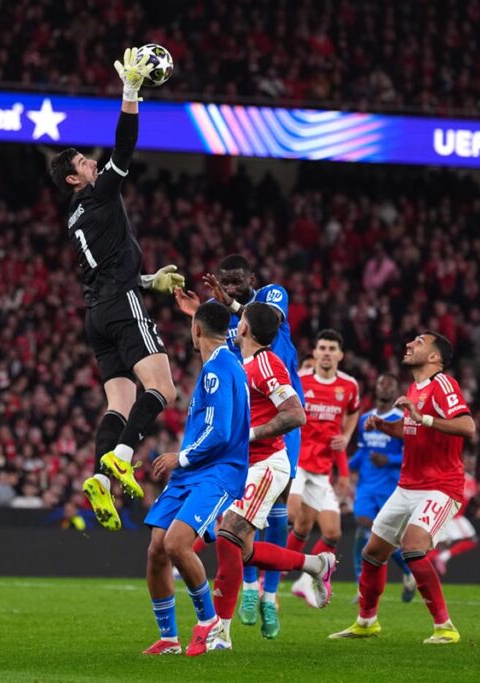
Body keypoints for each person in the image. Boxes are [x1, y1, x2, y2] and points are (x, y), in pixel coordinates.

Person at [48, 47, 185, 531]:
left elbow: (104, 268)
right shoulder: (98, 195)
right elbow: (123, 149)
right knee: (164, 388)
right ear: (74, 178)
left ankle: (100, 481)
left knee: (119, 405)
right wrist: (130, 93)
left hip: (97, 314)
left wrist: (147, 280)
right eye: (84, 163)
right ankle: (122, 457)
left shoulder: (75, 217)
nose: (93, 164)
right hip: (121, 306)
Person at [330, 332, 472, 645]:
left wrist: (425, 418)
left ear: (434, 357)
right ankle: (366, 622)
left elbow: (467, 426)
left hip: (440, 486)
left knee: (412, 548)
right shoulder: (414, 388)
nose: (409, 344)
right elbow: (411, 429)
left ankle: (445, 627)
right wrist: (384, 426)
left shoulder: (443, 384)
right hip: (407, 486)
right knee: (373, 553)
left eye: (419, 342)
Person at [208, 303, 336, 646]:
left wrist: (249, 435)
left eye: (240, 322)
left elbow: (295, 414)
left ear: (245, 329)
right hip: (243, 466)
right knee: (244, 550)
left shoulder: (266, 363)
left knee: (228, 537)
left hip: (266, 463)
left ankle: (220, 632)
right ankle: (316, 564)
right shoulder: (243, 363)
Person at [141, 301, 249, 657]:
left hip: (216, 471)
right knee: (157, 549)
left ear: (196, 331)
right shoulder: (227, 357)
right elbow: (226, 330)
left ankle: (209, 622)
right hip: (192, 472)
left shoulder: (217, 370)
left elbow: (219, 432)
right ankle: (169, 639)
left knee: (176, 544)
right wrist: (198, 313)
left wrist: (180, 457)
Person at [200, 254, 304, 619]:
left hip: (282, 408)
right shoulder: (220, 311)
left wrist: (229, 305)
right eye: (225, 282)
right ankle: (248, 586)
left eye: (236, 281)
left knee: (277, 504)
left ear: (252, 279)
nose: (230, 288)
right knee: (239, 505)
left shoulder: (270, 296)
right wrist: (197, 315)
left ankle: (269, 595)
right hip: (247, 411)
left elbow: (266, 320)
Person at [288, 330, 360, 606]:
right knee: (292, 515)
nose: (327, 353)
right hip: (297, 461)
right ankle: (265, 579)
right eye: (322, 348)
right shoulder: (301, 380)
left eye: (332, 348)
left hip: (322, 468)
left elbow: (353, 411)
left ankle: (305, 579)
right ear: (315, 352)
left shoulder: (349, 386)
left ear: (340, 355)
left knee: (331, 533)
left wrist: (347, 438)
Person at [348, 373, 417, 603]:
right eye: (381, 383)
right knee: (364, 524)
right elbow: (363, 450)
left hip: (390, 487)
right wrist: (344, 467)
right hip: (366, 486)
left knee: (385, 538)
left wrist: (390, 460)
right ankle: (363, 588)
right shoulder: (365, 419)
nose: (385, 387)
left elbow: (411, 455)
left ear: (395, 391)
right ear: (376, 388)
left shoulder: (401, 420)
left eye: (390, 384)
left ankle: (408, 572)